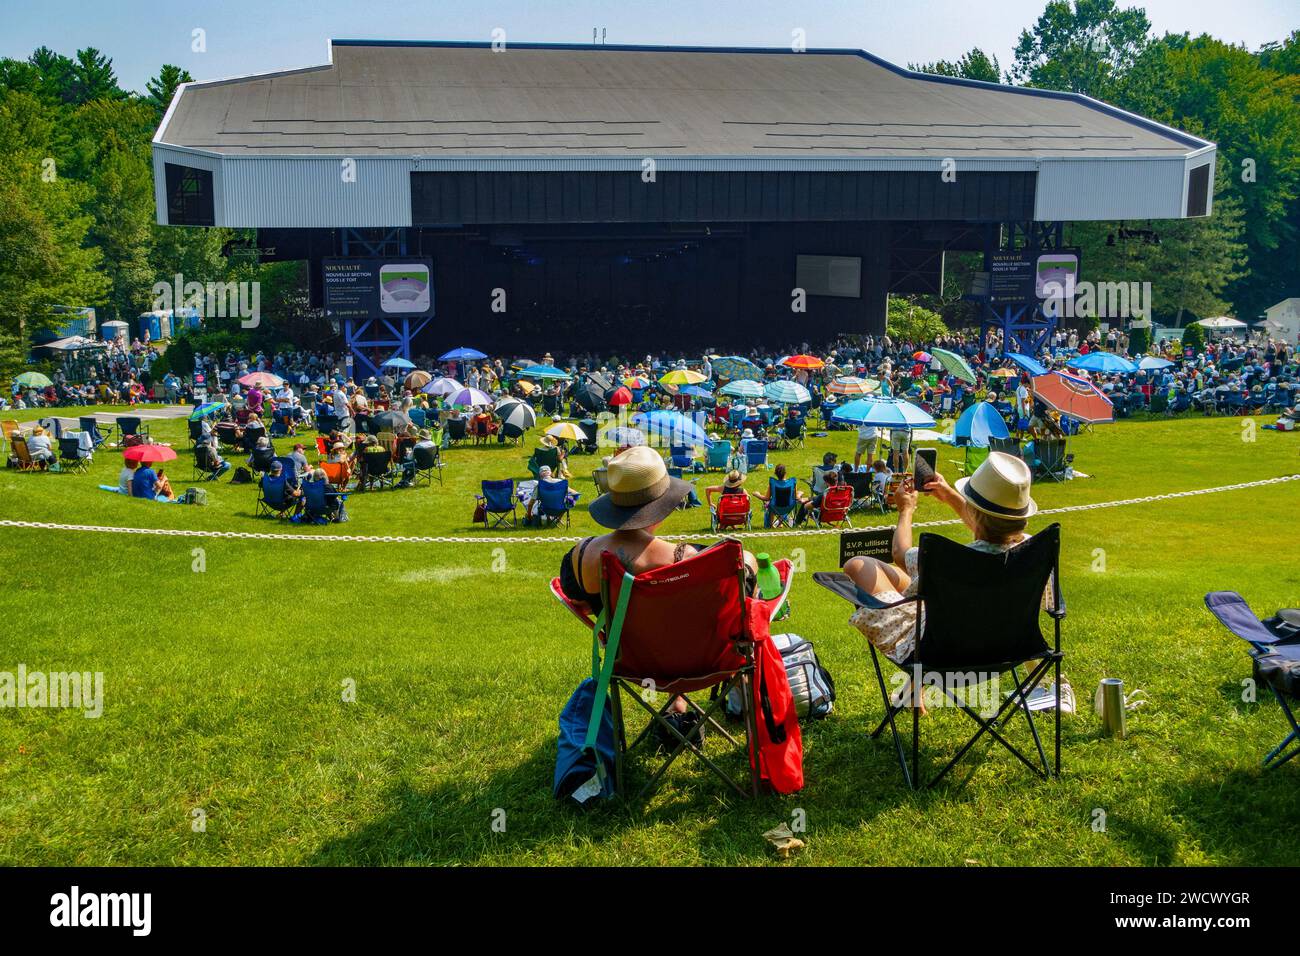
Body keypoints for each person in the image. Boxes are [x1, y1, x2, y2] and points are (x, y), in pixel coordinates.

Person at [557, 446, 757, 735]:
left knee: (656, 625)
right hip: (704, 663)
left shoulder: (581, 555)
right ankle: (745, 697)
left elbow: (578, 600)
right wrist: (748, 562)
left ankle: (676, 704)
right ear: (663, 505)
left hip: (633, 662)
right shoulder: (692, 560)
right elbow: (739, 592)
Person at [841, 453, 1056, 707]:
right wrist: (947, 494)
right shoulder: (1032, 554)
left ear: (973, 513)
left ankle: (913, 689)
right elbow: (990, 526)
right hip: (1008, 650)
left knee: (858, 564)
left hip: (935, 652)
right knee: (924, 589)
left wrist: (906, 509)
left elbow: (899, 552)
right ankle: (912, 693)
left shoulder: (947, 562)